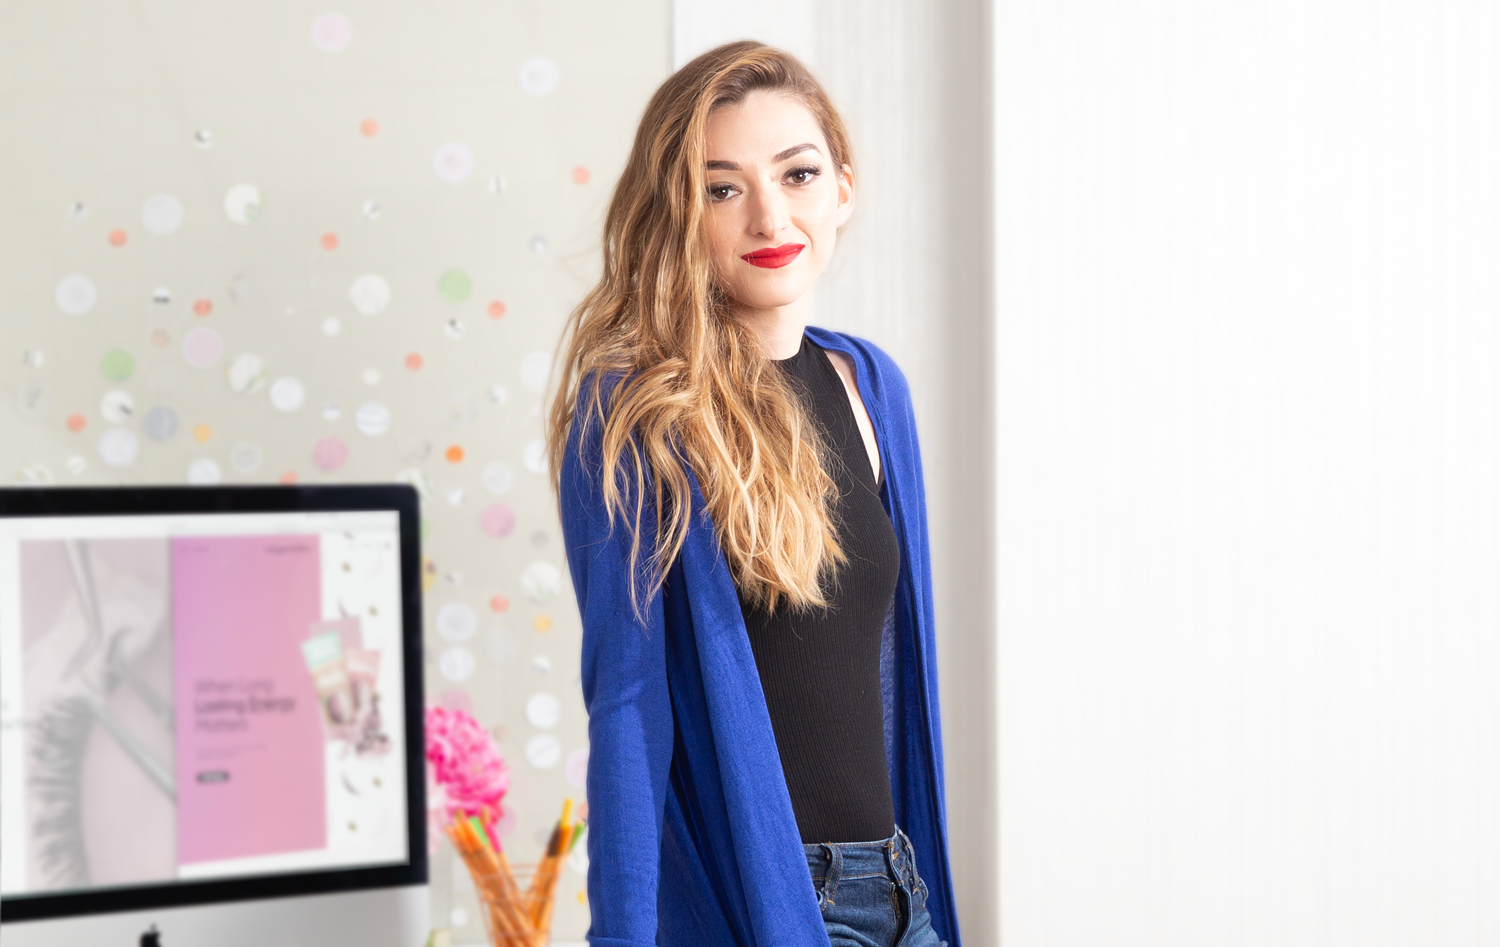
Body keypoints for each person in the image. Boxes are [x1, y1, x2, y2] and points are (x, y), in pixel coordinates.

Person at [546, 40, 960, 947]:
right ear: (679, 215)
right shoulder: (637, 411)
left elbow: (892, 673)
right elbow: (625, 701)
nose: (771, 214)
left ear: (842, 189)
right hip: (761, 905)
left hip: (901, 890)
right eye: (722, 188)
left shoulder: (871, 385)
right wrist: (620, 935)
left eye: (798, 174)